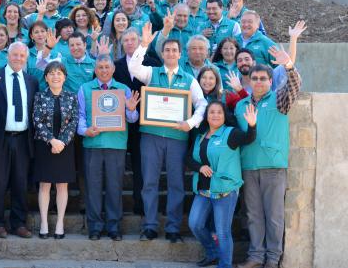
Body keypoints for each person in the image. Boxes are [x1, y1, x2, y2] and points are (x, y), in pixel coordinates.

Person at [128, 22, 207, 243]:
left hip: (177, 138)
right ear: (162, 53)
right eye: (167, 50)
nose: (171, 53)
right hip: (151, 136)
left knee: (176, 184)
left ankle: (173, 228)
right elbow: (133, 68)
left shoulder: (189, 79)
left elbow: (202, 104)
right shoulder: (151, 73)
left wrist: (190, 123)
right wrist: (143, 45)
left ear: (180, 55)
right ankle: (150, 226)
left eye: (175, 50)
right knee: (149, 183)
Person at [235, 48, 302, 268]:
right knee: (253, 215)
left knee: (274, 217)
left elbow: (294, 87)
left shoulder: (279, 99)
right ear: (249, 81)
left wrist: (289, 66)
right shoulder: (240, 106)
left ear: (270, 81)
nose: (258, 82)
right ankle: (256, 256)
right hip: (249, 166)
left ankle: (273, 259)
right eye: (254, 78)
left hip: (273, 166)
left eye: (263, 78)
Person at [186, 101, 258, 268]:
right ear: (207, 116)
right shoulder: (200, 135)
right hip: (203, 191)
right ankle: (212, 253)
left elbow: (249, 138)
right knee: (195, 224)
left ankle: (225, 264)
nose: (215, 115)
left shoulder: (231, 133)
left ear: (225, 115)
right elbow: (188, 158)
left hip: (225, 191)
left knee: (223, 232)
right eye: (212, 112)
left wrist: (252, 125)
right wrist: (200, 167)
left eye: (219, 112)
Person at [77, 55, 140, 241]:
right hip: (92, 144)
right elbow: (80, 115)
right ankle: (95, 227)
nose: (104, 70)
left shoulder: (124, 89)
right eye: (100, 67)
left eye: (107, 67)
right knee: (93, 187)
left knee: (114, 186)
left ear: (113, 69)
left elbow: (133, 119)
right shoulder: (85, 89)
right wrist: (84, 130)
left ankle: (114, 227)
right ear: (95, 70)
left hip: (116, 145)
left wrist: (130, 109)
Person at [0, 43, 39, 239]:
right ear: (8, 55)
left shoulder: (32, 81)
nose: (18, 58)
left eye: (22, 55)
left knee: (21, 182)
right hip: (1, 138)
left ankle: (18, 222)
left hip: (23, 139)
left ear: (26, 58)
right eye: (15, 54)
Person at [32, 61, 79, 239]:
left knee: (62, 185)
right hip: (44, 146)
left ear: (65, 77)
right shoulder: (39, 96)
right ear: (46, 77)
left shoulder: (71, 97)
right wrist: (52, 140)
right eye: (51, 73)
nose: (55, 76)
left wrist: (61, 143)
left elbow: (73, 122)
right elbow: (37, 121)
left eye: (59, 73)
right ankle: (44, 223)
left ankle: (60, 223)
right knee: (44, 185)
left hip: (65, 148)